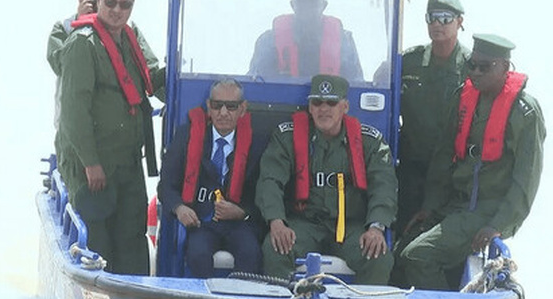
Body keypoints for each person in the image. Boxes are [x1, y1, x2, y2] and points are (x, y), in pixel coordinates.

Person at [396, 34, 546, 290]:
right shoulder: (463, 98)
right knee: (399, 250)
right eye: (471, 64)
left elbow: (526, 179)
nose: (475, 72)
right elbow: (444, 156)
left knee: (418, 255)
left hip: (487, 210)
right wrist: (430, 206)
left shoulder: (524, 112)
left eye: (484, 67)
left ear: (505, 68)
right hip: (455, 205)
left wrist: (497, 225)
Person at [255, 74, 397, 284]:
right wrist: (277, 222)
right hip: (304, 224)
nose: (324, 109)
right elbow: (270, 180)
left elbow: (384, 186)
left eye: (332, 102)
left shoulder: (370, 142)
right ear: (310, 107)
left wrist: (376, 227)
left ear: (345, 106)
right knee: (275, 247)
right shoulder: (287, 137)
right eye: (317, 102)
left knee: (378, 256)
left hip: (350, 227)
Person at [55, 0, 160, 275]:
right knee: (97, 244)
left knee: (132, 243)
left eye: (125, 4)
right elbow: (73, 112)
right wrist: (91, 163)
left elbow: (155, 77)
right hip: (94, 166)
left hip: (128, 162)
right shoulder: (82, 44)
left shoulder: (130, 36)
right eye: (110, 2)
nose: (117, 10)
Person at [157, 79, 263, 278]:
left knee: (251, 254)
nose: (223, 113)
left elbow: (265, 194)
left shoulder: (257, 144)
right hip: (201, 222)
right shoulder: (186, 136)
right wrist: (179, 208)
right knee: (198, 254)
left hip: (239, 225)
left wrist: (242, 213)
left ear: (243, 108)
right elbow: (166, 186)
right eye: (217, 105)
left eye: (231, 106)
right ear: (208, 106)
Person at [395, 0, 470, 237]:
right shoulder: (407, 62)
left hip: (453, 174)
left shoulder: (473, 68)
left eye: (446, 18)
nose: (438, 24)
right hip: (410, 170)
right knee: (402, 235)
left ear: (460, 22)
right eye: (431, 17)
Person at [46, 0, 164, 130]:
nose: (116, 9)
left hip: (124, 134)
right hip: (82, 132)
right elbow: (60, 65)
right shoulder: (65, 27)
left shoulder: (129, 30)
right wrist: (80, 29)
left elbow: (150, 73)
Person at [248, 0, 363, 82]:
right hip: (280, 111)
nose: (307, 10)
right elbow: (253, 83)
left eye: (312, 3)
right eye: (302, 3)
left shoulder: (344, 43)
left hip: (329, 111)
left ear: (324, 5)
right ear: (293, 4)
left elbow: (356, 84)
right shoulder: (268, 42)